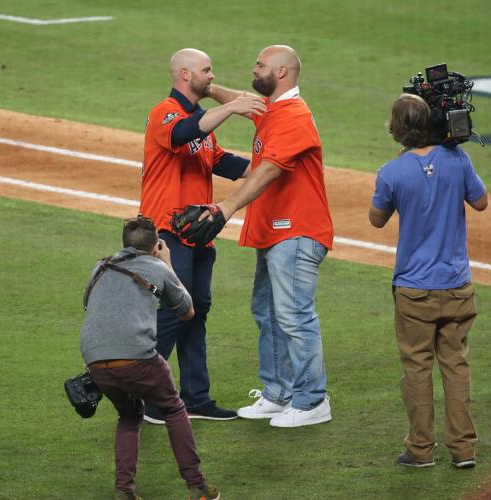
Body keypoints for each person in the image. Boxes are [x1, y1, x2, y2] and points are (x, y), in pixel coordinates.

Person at [204, 45, 334, 428]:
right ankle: (279, 393)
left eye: (260, 64)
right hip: (276, 231)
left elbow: (268, 172)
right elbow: (245, 101)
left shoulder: (294, 116)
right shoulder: (274, 109)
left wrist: (225, 207)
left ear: (281, 72)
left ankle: (312, 400)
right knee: (269, 313)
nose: (253, 68)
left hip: (296, 231)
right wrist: (211, 91)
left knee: (294, 316)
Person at [139, 48, 266, 424]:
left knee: (196, 314)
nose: (212, 76)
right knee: (174, 313)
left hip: (199, 234)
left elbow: (222, 161)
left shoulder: (200, 117)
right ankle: (150, 400)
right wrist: (228, 108)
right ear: (183, 74)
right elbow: (182, 135)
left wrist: (270, 165)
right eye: (206, 71)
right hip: (167, 232)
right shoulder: (166, 112)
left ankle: (195, 397)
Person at [368, 93, 488, 469]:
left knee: (417, 369)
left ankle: (421, 451)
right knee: (456, 367)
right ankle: (464, 450)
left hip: (415, 291)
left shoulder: (392, 172)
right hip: (456, 286)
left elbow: (376, 219)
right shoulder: (458, 159)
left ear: (397, 129)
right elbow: (481, 202)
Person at [80, 216, 220, 500]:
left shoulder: (100, 266)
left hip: (95, 362)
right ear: (156, 245)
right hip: (137, 359)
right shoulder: (157, 266)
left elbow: (89, 304)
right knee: (173, 408)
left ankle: (124, 491)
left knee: (129, 416)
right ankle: (198, 487)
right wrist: (167, 262)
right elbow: (187, 310)